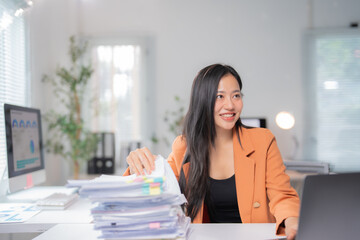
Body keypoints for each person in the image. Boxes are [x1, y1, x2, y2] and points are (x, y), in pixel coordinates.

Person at [123, 64, 300, 239]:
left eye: (236, 95)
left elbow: (282, 196)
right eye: (219, 96)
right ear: (203, 100)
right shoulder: (184, 146)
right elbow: (159, 187)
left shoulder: (263, 140)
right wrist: (138, 165)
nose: (230, 105)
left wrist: (293, 224)